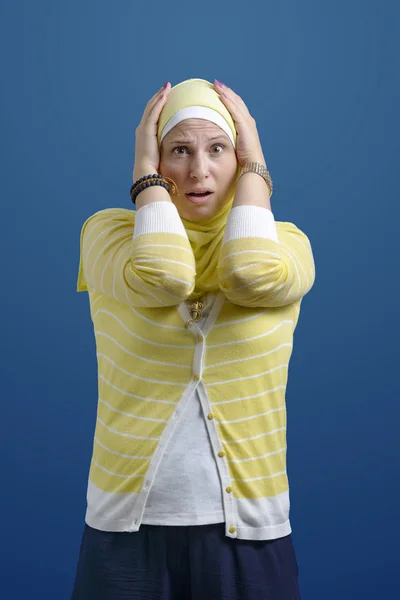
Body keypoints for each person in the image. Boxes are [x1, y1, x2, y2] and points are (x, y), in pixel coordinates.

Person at [72, 77, 315, 600]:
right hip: (123, 530)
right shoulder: (109, 234)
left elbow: (249, 272)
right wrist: (144, 178)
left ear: (242, 159)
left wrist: (256, 164)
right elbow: (163, 274)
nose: (198, 171)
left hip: (250, 530)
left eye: (219, 149)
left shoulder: (284, 243)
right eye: (178, 150)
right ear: (156, 159)